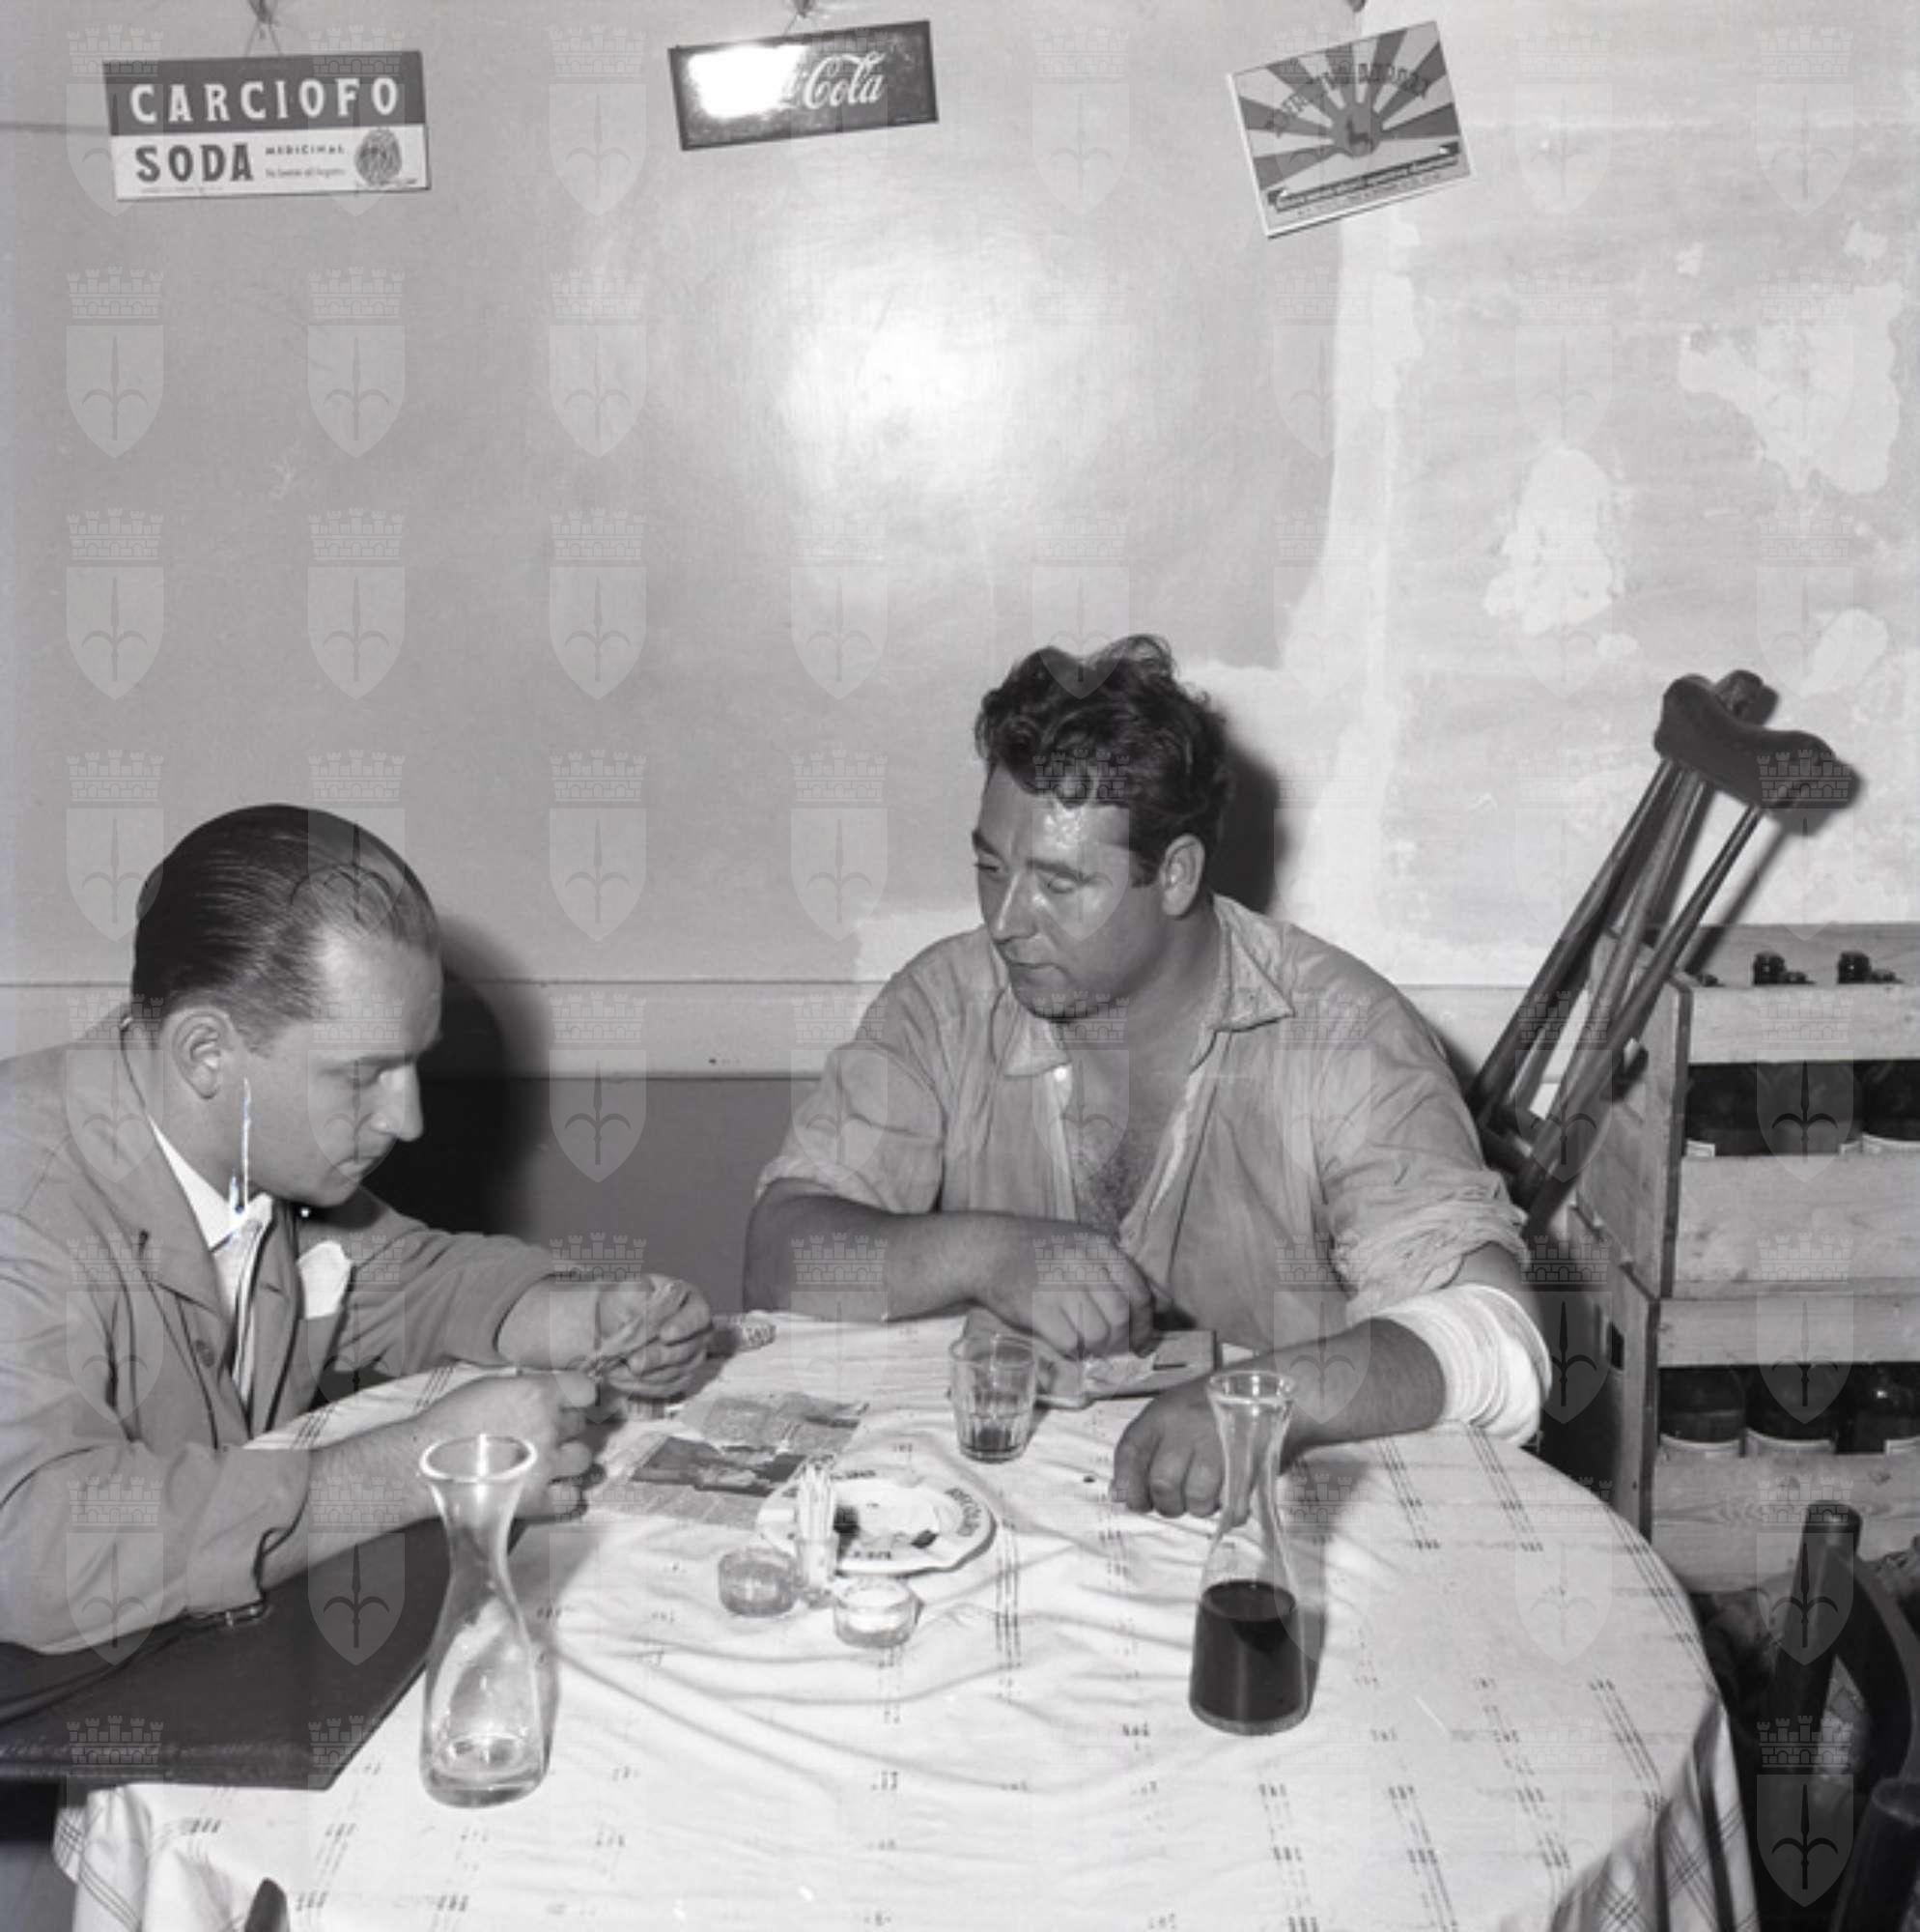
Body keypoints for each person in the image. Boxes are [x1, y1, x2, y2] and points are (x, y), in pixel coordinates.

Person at [746, 637, 1547, 1517]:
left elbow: (1501, 1337)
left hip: (1284, 1519)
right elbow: (778, 1261)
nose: (1005, 922)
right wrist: (988, 1252)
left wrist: (1268, 1398)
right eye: (989, 867)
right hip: (1020, 1509)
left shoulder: (1346, 1035)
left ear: (1174, 876)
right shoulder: (945, 1002)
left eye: (1058, 884)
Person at [0, 806, 711, 1661]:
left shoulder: (245, 1149)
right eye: (362, 1074)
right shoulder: (23, 1201)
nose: (407, 1120)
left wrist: (580, 1317)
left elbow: (402, 1276)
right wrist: (411, 1466)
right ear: (206, 1053)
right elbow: (32, 1548)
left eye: (412, 1065)